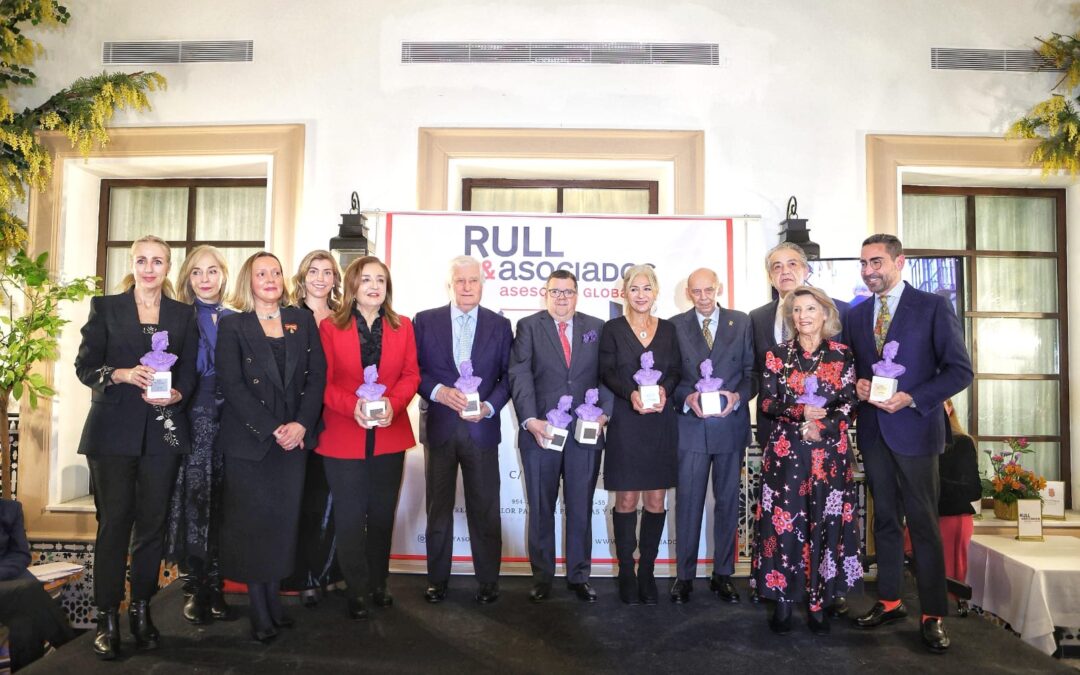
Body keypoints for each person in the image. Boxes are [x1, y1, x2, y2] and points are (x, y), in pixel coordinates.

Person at [843, 234, 973, 653]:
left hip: (917, 429)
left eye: (876, 261)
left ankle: (933, 613)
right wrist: (858, 385)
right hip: (875, 431)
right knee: (883, 521)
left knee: (923, 524)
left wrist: (914, 397)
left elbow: (959, 371)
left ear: (900, 261)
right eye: (864, 263)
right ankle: (890, 599)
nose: (869, 270)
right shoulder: (859, 314)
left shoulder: (933, 307)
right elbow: (851, 370)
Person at [74, 234, 198, 659]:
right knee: (114, 526)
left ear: (168, 267)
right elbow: (84, 367)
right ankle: (107, 618)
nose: (149, 268)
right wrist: (122, 374)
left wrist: (178, 394)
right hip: (111, 435)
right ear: (132, 263)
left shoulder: (183, 315)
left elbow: (192, 375)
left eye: (158, 261)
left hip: (162, 433)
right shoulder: (106, 308)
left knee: (152, 527)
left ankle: (142, 610)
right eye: (142, 260)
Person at [216, 252, 326, 643]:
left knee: (282, 526)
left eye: (275, 272)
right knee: (254, 528)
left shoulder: (302, 320)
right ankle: (260, 612)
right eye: (261, 273)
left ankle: (275, 605)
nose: (270, 278)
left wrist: (300, 425)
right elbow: (231, 385)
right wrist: (272, 428)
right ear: (250, 280)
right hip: (252, 443)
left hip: (294, 442)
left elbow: (317, 379)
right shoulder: (232, 325)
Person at [752, 286, 861, 635]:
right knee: (785, 527)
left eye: (811, 309)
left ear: (825, 314)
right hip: (786, 453)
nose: (803, 316)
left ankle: (819, 602)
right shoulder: (776, 355)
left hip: (829, 454)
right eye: (797, 310)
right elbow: (767, 403)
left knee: (825, 525)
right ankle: (782, 600)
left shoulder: (842, 355)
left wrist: (824, 426)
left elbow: (849, 404)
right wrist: (800, 413)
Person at [317, 256, 420, 620]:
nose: (374, 286)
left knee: (380, 515)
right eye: (366, 280)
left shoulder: (403, 326)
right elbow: (322, 382)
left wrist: (394, 403)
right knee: (348, 517)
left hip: (389, 435)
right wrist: (352, 406)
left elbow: (411, 375)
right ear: (352, 287)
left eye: (380, 280)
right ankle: (356, 588)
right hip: (343, 435)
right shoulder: (330, 327)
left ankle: (379, 582)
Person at [508, 270, 612, 604]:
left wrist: (605, 411)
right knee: (541, 506)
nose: (562, 298)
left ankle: (579, 576)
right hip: (542, 433)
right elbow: (519, 374)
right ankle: (542, 576)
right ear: (545, 294)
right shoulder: (528, 327)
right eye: (556, 292)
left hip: (584, 433)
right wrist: (529, 420)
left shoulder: (596, 327)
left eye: (568, 292)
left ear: (577, 295)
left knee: (580, 506)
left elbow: (608, 374)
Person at [414, 255, 513, 605]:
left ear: (482, 285)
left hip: (481, 430)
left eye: (473, 281)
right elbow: (416, 372)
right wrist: (439, 392)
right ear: (451, 284)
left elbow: (507, 378)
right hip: (440, 428)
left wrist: (488, 407)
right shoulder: (425, 321)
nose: (467, 287)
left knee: (485, 509)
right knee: (437, 510)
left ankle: (488, 581)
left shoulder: (500, 326)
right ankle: (436, 581)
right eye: (460, 281)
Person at [668, 268, 752, 605]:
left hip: (730, 426)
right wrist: (686, 398)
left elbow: (751, 373)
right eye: (696, 291)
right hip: (690, 427)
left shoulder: (741, 321)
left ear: (719, 288)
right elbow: (671, 376)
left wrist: (738, 397)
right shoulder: (674, 325)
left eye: (708, 290)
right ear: (688, 293)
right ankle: (684, 577)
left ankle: (723, 575)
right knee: (687, 504)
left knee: (728, 504)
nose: (703, 297)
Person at [600, 264, 681, 606]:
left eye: (647, 288)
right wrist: (630, 393)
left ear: (656, 292)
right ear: (625, 293)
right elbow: (605, 371)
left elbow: (676, 371)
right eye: (635, 288)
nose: (641, 294)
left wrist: (664, 390)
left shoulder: (669, 330)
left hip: (659, 422)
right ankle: (626, 572)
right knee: (627, 500)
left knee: (656, 500)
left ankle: (647, 571)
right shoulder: (613, 329)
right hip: (626, 420)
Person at [164, 245, 235, 625]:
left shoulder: (240, 318)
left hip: (235, 421)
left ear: (224, 274)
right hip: (194, 416)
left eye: (212, 271)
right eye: (196, 272)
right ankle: (193, 588)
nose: (205, 279)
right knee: (194, 501)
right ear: (187, 278)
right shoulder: (176, 318)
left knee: (226, 504)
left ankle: (217, 586)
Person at [283, 250, 345, 607]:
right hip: (302, 419)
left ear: (335, 279)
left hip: (338, 418)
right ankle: (305, 576)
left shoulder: (342, 318)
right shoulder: (290, 316)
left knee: (333, 500)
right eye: (313, 271)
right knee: (305, 502)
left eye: (327, 272)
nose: (320, 278)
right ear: (302, 276)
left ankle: (330, 572)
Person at [0, 499, 75, 670]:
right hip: (18, 588)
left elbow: (20, 554)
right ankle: (73, 651)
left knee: (25, 624)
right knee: (29, 590)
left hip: (9, 585)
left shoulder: (11, 509)